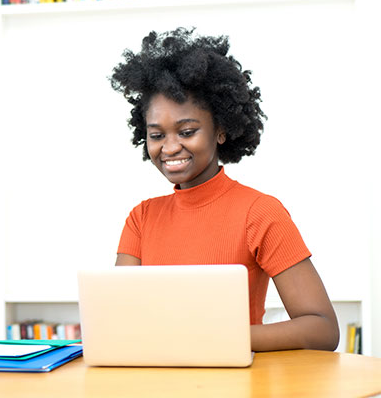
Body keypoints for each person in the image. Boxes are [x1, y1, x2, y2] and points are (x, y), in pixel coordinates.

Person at [110, 27, 339, 352]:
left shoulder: (259, 212)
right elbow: (118, 318)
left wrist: (216, 338)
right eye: (157, 135)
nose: (170, 147)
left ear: (220, 130)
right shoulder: (141, 218)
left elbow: (322, 329)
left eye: (187, 131)